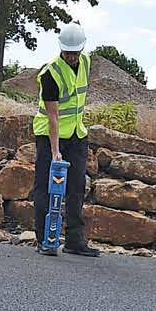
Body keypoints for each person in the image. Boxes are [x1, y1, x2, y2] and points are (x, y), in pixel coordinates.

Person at [32, 22, 99, 257]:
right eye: (67, 52)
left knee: (76, 187)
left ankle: (74, 241)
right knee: (45, 187)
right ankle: (44, 240)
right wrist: (55, 150)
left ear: (81, 49)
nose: (71, 56)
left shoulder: (87, 62)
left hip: (77, 134)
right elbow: (53, 117)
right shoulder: (50, 73)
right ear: (61, 48)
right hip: (49, 135)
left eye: (74, 52)